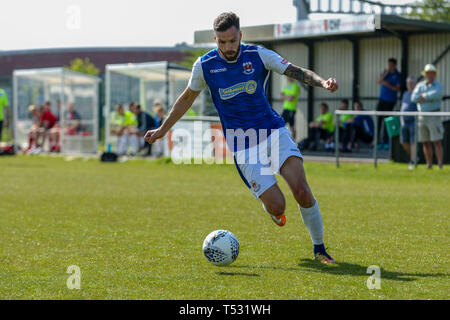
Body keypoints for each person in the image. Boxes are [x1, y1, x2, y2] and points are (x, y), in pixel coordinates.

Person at [144, 12, 339, 263]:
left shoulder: (258, 55)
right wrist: (162, 130)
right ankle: (271, 207)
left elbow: (294, 71)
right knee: (278, 207)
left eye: (232, 41)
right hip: (243, 145)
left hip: (272, 132)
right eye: (221, 42)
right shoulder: (204, 65)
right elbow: (186, 99)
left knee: (301, 190)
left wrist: (322, 82)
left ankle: (319, 248)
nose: (227, 47)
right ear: (215, 39)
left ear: (240, 36)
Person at [411, 64, 444, 169]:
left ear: (434, 74)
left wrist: (425, 96)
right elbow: (414, 98)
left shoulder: (438, 85)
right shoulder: (420, 85)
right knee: (425, 142)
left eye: (431, 73)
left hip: (434, 115)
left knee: (437, 141)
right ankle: (428, 164)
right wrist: (428, 97)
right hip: (422, 116)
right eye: (427, 73)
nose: (429, 75)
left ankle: (439, 164)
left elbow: (437, 94)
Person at [376, 58, 401, 150]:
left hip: (390, 101)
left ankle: (386, 141)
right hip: (381, 100)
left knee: (387, 121)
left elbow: (397, 89)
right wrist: (386, 73)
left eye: (391, 65)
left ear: (395, 65)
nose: (389, 67)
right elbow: (378, 81)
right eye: (388, 65)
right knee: (378, 119)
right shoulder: (385, 73)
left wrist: (388, 85)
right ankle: (377, 141)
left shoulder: (397, 75)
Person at [400, 77, 418, 170]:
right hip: (404, 121)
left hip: (414, 120)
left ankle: (413, 161)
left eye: (412, 83)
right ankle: (413, 157)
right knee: (403, 142)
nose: (410, 85)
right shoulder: (405, 94)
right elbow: (402, 107)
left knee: (412, 141)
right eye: (408, 83)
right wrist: (401, 120)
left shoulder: (417, 93)